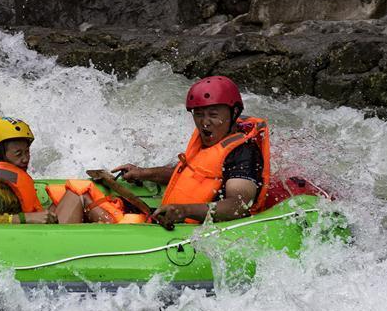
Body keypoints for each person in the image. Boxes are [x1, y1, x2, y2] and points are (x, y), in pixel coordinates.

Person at [113, 76, 271, 230]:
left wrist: (184, 211)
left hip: (207, 231)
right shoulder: (206, 140)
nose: (205, 122)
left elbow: (238, 206)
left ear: (234, 112)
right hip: (178, 222)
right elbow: (190, 174)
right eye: (199, 114)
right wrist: (142, 173)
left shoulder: (243, 153)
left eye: (213, 115)